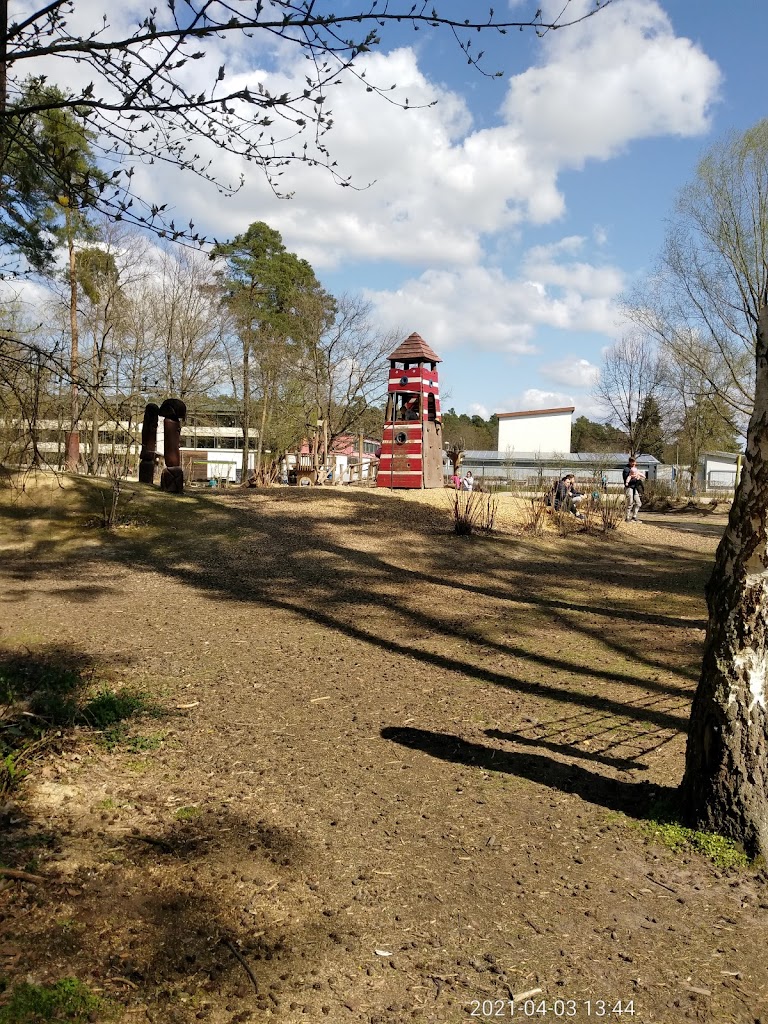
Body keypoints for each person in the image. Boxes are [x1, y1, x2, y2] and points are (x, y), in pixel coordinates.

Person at [622, 457, 644, 523]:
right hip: (629, 487)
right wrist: (636, 479)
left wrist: (640, 478)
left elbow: (639, 475)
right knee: (630, 502)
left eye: (635, 463)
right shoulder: (626, 470)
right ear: (630, 462)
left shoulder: (635, 469)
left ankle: (634, 517)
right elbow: (627, 480)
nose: (634, 464)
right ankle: (627, 517)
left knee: (638, 503)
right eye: (633, 463)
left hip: (635, 488)